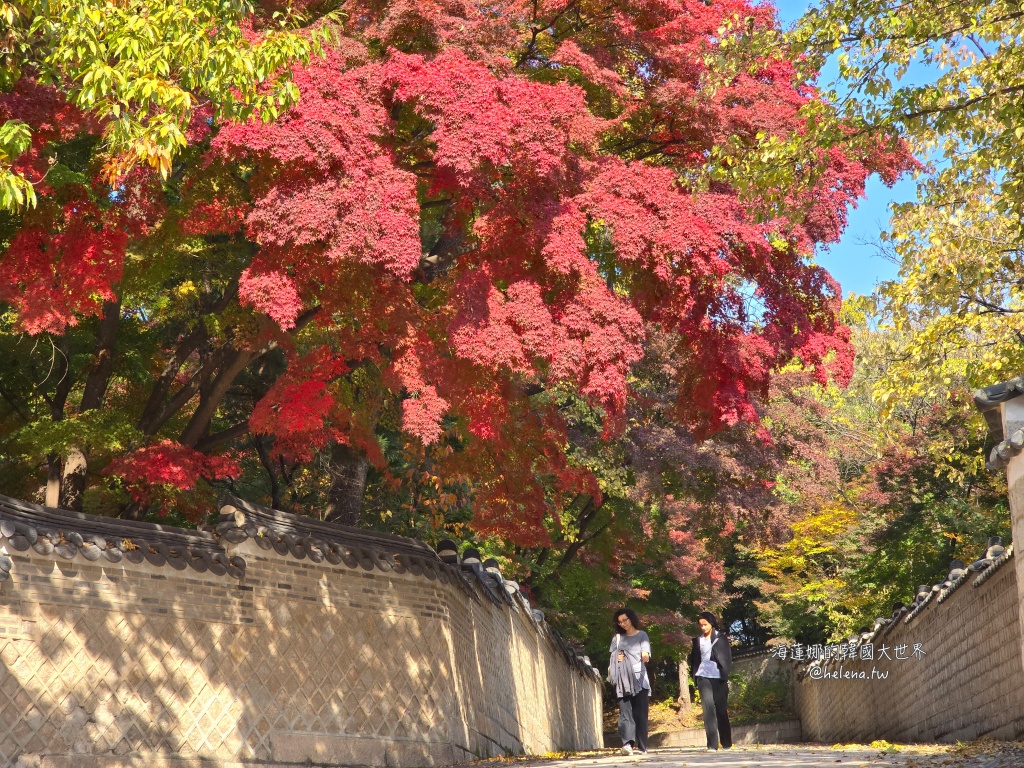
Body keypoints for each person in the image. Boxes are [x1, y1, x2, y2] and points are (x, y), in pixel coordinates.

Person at [608, 608, 651, 756]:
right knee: (625, 712)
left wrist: (645, 655)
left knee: (640, 714)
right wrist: (617, 657)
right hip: (623, 679)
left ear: (631, 618)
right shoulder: (617, 639)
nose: (623, 624)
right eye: (620, 622)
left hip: (640, 679)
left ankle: (642, 746)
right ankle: (627, 744)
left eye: (625, 620)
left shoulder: (642, 635)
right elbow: (612, 657)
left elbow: (646, 653)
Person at [687, 610, 732, 752]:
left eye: (705, 625)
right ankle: (712, 744)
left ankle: (726, 742)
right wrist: (695, 676)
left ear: (711, 624)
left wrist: (724, 674)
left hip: (718, 677)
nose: (703, 628)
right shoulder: (697, 640)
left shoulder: (721, 638)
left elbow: (726, 658)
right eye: (700, 625)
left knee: (721, 710)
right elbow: (694, 659)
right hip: (703, 676)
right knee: (708, 710)